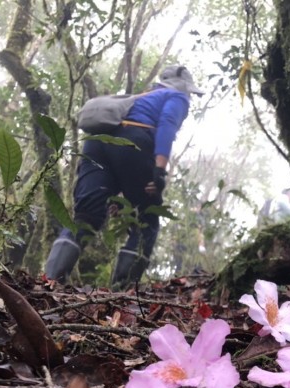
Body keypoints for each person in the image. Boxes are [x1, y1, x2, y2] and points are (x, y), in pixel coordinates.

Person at [44, 65, 204, 288]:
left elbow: (117, 156)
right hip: (134, 140)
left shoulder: (141, 98)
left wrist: (120, 196)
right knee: (146, 220)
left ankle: (50, 281)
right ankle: (123, 291)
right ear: (186, 88)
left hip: (96, 142)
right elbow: (166, 125)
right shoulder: (177, 96)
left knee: (85, 215)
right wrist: (159, 171)